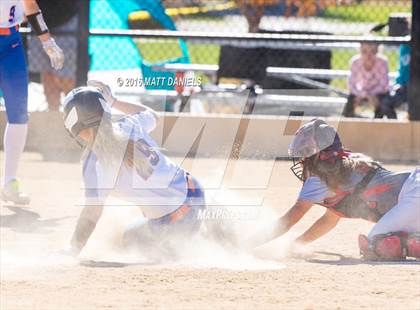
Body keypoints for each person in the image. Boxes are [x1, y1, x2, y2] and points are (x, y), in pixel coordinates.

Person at [62, 81, 206, 257]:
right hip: (196, 192)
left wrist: (73, 247)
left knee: (128, 241)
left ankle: (189, 244)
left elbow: (92, 213)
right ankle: (207, 230)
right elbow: (152, 114)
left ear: (74, 125)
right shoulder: (129, 124)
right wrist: (114, 101)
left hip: (176, 222)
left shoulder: (94, 162)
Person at [264, 119, 419, 260]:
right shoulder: (342, 167)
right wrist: (297, 244)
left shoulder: (319, 178)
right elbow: (328, 220)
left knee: (375, 245)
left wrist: (251, 242)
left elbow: (292, 216)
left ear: (320, 154)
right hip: (413, 193)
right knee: (393, 237)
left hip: (413, 193)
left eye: (305, 154)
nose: (302, 161)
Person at [1, 0, 64, 204]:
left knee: (19, 113)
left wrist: (48, 42)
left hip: (10, 43)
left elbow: (30, 5)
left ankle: (9, 181)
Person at [27, 0, 78, 111]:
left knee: (66, 78)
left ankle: (75, 115)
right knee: (47, 74)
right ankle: (53, 115)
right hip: (38, 23)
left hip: (65, 20)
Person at [344, 42, 392, 118]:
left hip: (378, 92)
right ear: (359, 51)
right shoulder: (355, 62)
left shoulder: (382, 62)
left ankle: (382, 124)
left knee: (385, 104)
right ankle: (348, 125)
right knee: (349, 102)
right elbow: (351, 84)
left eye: (373, 51)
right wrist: (362, 94)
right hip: (361, 91)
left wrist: (372, 95)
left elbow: (384, 85)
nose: (368, 55)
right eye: (364, 51)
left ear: (377, 51)